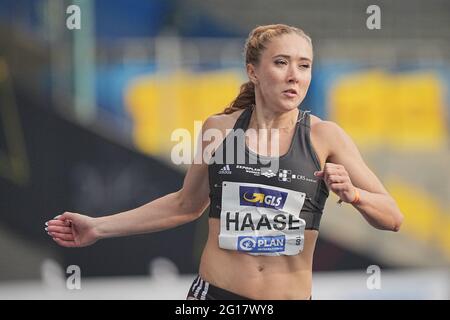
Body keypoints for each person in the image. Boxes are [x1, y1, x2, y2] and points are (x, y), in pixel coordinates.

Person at [45, 24, 404, 300]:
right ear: (254, 71)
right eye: (281, 63)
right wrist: (98, 226)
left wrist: (355, 195)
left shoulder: (325, 137)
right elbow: (185, 205)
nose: (295, 75)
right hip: (214, 296)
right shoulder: (219, 130)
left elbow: (393, 218)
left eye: (305, 65)